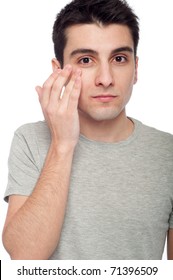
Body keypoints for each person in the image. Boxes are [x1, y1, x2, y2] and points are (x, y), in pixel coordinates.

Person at [2, 0, 173, 260]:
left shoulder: (168, 153)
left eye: (119, 58)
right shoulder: (30, 140)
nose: (105, 78)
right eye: (86, 60)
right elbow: (25, 258)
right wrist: (62, 144)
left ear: (136, 68)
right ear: (58, 71)